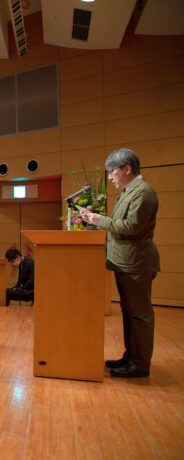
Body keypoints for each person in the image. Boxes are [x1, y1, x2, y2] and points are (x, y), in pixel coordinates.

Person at [80, 148, 159, 378]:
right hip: (125, 262)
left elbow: (132, 227)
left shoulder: (143, 192)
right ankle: (130, 357)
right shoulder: (128, 191)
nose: (111, 177)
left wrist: (100, 220)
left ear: (127, 168)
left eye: (112, 172)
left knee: (139, 315)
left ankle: (140, 364)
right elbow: (118, 223)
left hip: (136, 262)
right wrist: (95, 220)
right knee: (129, 312)